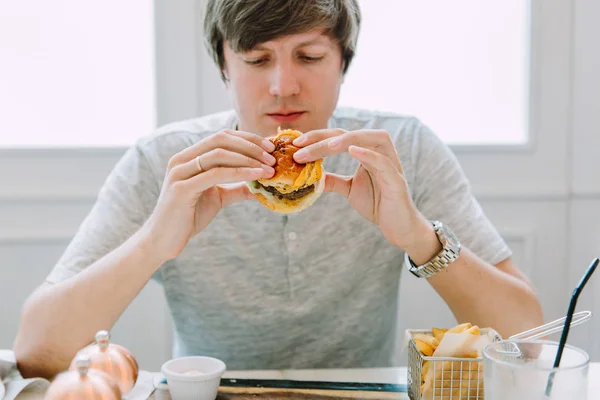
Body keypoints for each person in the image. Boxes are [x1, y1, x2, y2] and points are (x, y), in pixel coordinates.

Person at [14, 0, 543, 379]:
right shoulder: (163, 163)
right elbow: (38, 354)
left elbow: (528, 341)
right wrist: (156, 241)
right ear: (224, 64)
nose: (283, 86)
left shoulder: (401, 150)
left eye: (309, 57)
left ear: (343, 64)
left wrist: (420, 237)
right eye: (257, 59)